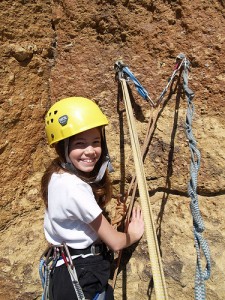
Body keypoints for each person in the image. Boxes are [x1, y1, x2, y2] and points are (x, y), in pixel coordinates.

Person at [41, 96, 144, 300]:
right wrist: (132, 234)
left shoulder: (56, 175)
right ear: (63, 146)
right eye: (80, 143)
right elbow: (115, 242)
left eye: (96, 142)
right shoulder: (74, 189)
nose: (90, 151)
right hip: (83, 274)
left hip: (67, 271)